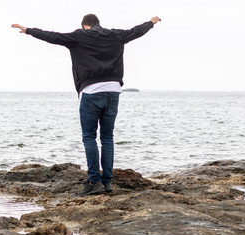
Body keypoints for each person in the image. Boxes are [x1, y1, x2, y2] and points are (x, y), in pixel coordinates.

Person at [12, 14, 161, 196]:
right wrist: (151, 23)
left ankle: (93, 181)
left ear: (85, 26)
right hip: (114, 91)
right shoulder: (115, 35)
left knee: (89, 137)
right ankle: (107, 183)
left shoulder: (79, 36)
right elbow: (136, 31)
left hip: (91, 92)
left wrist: (28, 30)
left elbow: (53, 37)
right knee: (107, 138)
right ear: (97, 24)